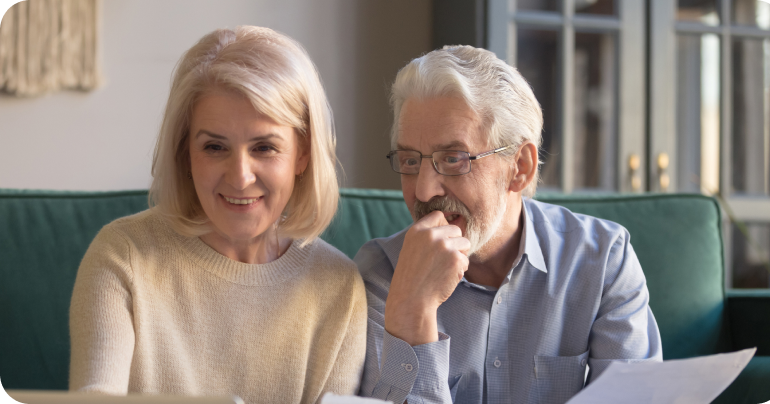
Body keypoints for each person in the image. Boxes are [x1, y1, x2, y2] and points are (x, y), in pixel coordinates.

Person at [69, 26, 366, 403]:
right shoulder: (122, 257)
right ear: (185, 154)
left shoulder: (339, 287)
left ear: (303, 153)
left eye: (264, 147)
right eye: (214, 147)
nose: (240, 177)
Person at [357, 45, 662, 404]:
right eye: (410, 160)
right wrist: (413, 311)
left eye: (453, 159)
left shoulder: (604, 262)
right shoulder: (381, 274)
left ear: (520, 167)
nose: (423, 189)